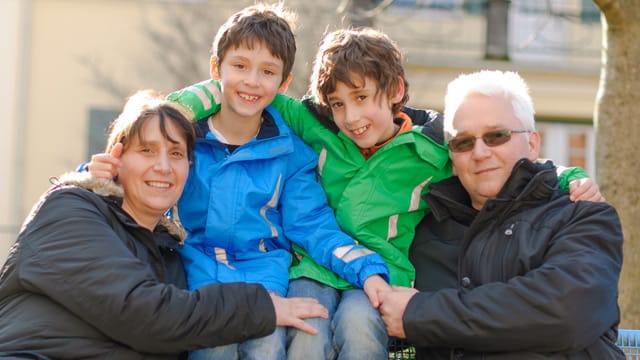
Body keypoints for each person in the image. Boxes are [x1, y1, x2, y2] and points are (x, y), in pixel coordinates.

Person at [167, 28, 603, 360]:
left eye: (362, 98)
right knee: (308, 328)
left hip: (382, 274)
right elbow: (244, 90)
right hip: (315, 264)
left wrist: (566, 176)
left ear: (395, 92)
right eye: (338, 104)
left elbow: (492, 157)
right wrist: (162, 117)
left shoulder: (431, 148)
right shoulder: (316, 128)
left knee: (359, 326)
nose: (351, 117)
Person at [87, 5, 390, 360]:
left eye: (267, 72)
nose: (252, 81)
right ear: (216, 68)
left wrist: (367, 268)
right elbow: (136, 174)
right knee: (213, 345)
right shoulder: (185, 141)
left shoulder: (291, 154)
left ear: (283, 83)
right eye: (240, 66)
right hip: (199, 275)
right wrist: (96, 176)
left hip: (265, 281)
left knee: (268, 344)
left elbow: (312, 224)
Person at [0, 90, 328, 359]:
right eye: (147, 150)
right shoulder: (71, 210)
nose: (162, 167)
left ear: (189, 168)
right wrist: (261, 307)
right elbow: (144, 314)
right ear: (117, 158)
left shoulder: (171, 256)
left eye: (175, 154)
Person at [378, 70, 624, 359]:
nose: (480, 152)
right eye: (463, 142)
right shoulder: (419, 230)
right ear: (452, 158)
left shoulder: (582, 216)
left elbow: (564, 313)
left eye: (496, 136)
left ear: (532, 144)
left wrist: (419, 315)